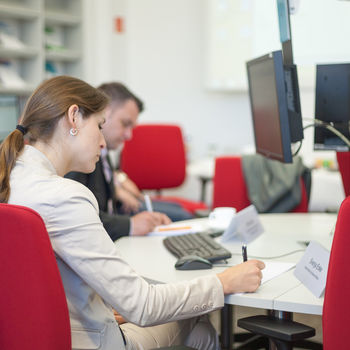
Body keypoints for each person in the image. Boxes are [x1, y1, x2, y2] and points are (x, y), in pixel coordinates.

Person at [0, 75, 265, 350]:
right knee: (199, 318)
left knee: (193, 325)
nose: (103, 142)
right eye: (100, 126)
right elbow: (143, 306)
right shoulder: (66, 197)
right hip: (96, 344)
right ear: (74, 117)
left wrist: (101, 306)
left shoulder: (13, 178)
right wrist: (224, 281)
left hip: (38, 336)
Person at [66, 82, 193, 241]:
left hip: (114, 214)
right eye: (125, 124)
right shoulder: (83, 157)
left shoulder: (103, 151)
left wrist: (118, 180)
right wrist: (131, 224)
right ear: (105, 113)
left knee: (178, 210)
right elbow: (80, 219)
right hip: (108, 227)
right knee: (183, 216)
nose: (129, 135)